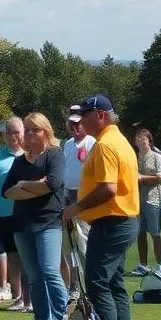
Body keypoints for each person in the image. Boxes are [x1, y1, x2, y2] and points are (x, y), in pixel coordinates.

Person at [63, 95, 140, 320]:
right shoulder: (120, 140)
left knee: (97, 284)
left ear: (100, 115)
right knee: (115, 286)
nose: (81, 120)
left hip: (111, 222)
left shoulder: (106, 144)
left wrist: (76, 208)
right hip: (123, 221)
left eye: (85, 114)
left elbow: (108, 188)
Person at [2, 114, 67, 320]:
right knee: (34, 275)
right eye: (27, 130)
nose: (29, 134)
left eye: (34, 130)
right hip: (22, 224)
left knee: (50, 271)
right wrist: (34, 187)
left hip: (49, 222)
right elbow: (7, 191)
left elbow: (53, 185)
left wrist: (24, 186)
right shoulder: (20, 161)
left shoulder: (54, 155)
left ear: (45, 131)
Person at [0, 118, 29, 309]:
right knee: (13, 258)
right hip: (4, 215)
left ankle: (31, 298)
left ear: (24, 132)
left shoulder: (31, 154)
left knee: (28, 257)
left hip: (27, 215)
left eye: (16, 132)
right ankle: (18, 297)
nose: (12, 137)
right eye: (8, 133)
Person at [60, 106, 96, 290]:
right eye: (71, 124)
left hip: (82, 196)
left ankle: (89, 284)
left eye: (77, 124)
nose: (74, 128)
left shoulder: (91, 142)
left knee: (83, 242)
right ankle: (75, 285)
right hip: (67, 196)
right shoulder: (67, 144)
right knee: (68, 246)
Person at [131, 128, 161, 276]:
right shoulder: (134, 157)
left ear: (149, 141)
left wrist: (142, 177)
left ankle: (159, 265)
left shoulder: (157, 157)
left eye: (142, 138)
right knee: (140, 234)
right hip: (138, 201)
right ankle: (142, 265)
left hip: (154, 200)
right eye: (137, 138)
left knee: (155, 233)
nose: (139, 140)